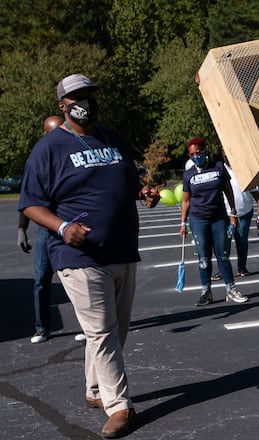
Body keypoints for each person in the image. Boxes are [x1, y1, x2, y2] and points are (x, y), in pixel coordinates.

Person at [18, 73, 160, 437]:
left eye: (89, 95)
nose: (85, 102)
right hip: (78, 255)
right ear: (62, 106)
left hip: (122, 250)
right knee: (101, 332)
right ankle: (119, 406)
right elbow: (31, 204)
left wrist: (142, 192)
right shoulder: (49, 148)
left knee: (115, 330)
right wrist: (64, 227)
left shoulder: (113, 139)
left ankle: (96, 389)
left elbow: (126, 184)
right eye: (77, 97)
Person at [18, 116, 87, 344]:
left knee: (77, 279)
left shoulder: (72, 157)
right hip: (47, 230)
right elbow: (28, 198)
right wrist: (22, 229)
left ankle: (87, 326)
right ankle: (42, 327)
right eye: (53, 132)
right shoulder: (38, 159)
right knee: (41, 280)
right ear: (45, 134)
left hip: (71, 226)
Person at [179, 137, 249, 306]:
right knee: (203, 258)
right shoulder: (189, 175)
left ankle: (230, 289)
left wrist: (233, 213)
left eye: (198, 153)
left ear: (205, 151)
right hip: (198, 220)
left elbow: (228, 191)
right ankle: (206, 292)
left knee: (223, 256)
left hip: (219, 218)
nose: (196, 156)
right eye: (192, 154)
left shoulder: (218, 167)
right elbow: (186, 200)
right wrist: (183, 223)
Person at [215, 154, 259, 278]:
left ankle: (242, 268)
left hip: (244, 212)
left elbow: (254, 189)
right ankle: (222, 270)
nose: (227, 157)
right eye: (224, 155)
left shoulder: (244, 169)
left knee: (241, 241)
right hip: (226, 213)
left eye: (229, 154)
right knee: (224, 243)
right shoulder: (220, 170)